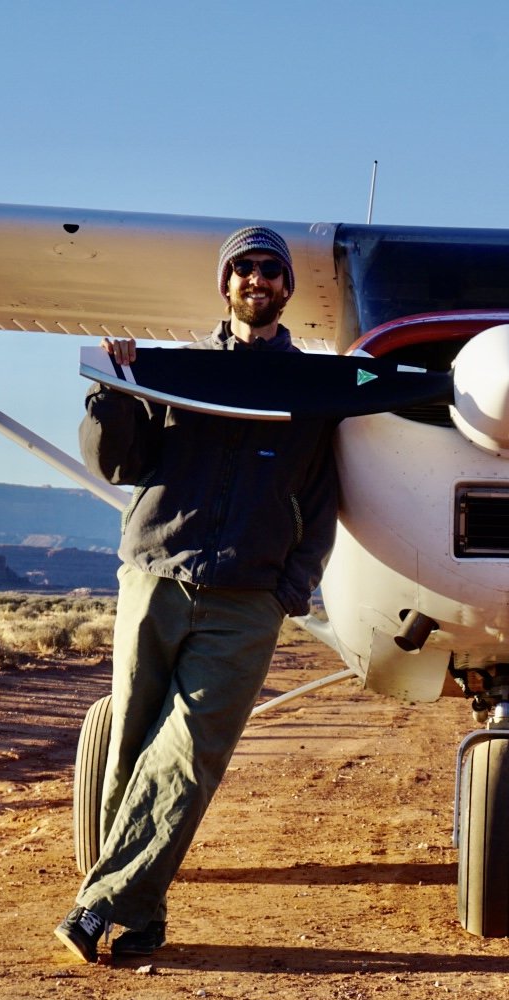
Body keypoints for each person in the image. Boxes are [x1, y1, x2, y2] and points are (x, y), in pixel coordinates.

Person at [54, 226, 338, 963]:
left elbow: (324, 499)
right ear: (226, 286)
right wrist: (112, 390)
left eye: (270, 270)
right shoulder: (175, 371)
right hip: (154, 575)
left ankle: (94, 909)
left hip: (247, 599)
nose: (257, 280)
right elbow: (118, 462)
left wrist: (288, 591)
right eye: (243, 269)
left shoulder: (311, 391)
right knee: (130, 750)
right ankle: (138, 917)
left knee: (186, 756)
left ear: (286, 288)